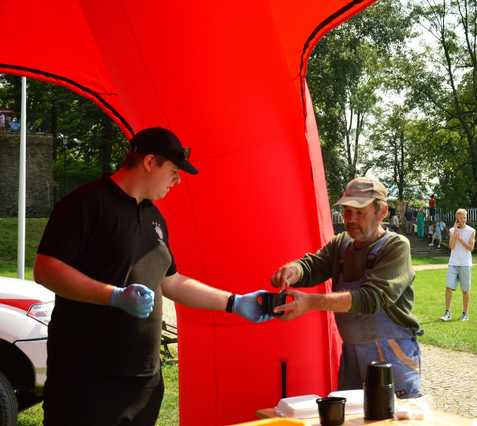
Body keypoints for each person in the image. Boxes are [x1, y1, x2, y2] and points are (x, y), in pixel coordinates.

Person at [34, 127, 272, 426]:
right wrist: (113, 295)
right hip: (87, 381)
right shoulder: (85, 204)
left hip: (142, 382)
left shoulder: (154, 218)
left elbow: (170, 280)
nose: (178, 179)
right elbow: (46, 269)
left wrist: (234, 302)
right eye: (173, 170)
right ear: (150, 162)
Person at [270, 177, 422, 399]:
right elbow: (314, 265)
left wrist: (311, 303)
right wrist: (295, 270)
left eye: (360, 212)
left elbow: (371, 298)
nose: (350, 219)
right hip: (351, 352)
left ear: (382, 212)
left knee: (396, 419)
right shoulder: (341, 244)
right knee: (351, 418)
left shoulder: (396, 246)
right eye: (347, 211)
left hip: (392, 354)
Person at [440, 208, 475, 322]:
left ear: (466, 218)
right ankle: (447, 312)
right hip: (453, 263)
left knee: (465, 290)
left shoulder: (471, 231)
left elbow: (470, 248)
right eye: (458, 218)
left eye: (462, 218)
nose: (460, 220)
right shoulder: (452, 230)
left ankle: (465, 313)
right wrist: (455, 233)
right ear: (456, 218)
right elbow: (451, 246)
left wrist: (460, 239)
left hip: (465, 264)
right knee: (448, 288)